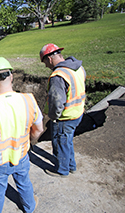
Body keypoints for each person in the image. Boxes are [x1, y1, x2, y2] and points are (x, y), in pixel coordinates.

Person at [0, 57, 44, 213]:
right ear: (11, 77)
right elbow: (38, 129)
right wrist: (29, 142)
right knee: (24, 183)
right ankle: (29, 207)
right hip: (22, 154)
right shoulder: (29, 100)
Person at [39, 43, 86, 177]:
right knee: (67, 140)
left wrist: (53, 116)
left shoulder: (58, 76)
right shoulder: (78, 68)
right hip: (78, 112)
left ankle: (62, 170)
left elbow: (57, 101)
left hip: (65, 117)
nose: (46, 66)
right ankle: (71, 165)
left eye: (45, 63)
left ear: (49, 59)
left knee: (61, 143)